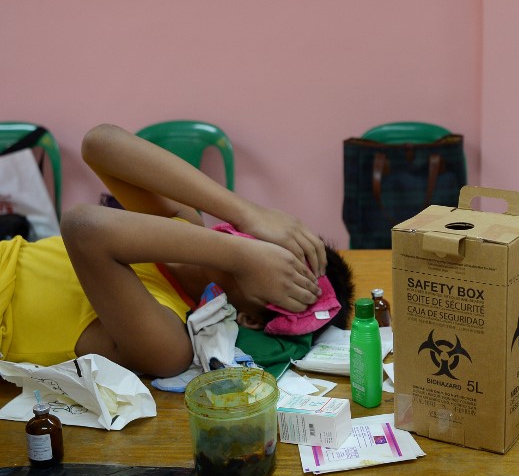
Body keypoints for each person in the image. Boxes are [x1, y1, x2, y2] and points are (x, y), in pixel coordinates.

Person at [0, 123, 353, 378]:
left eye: (284, 272)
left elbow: (83, 227)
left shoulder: (169, 344)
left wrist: (240, 255)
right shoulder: (183, 226)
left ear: (250, 319)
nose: (267, 250)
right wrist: (247, 211)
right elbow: (100, 144)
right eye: (282, 246)